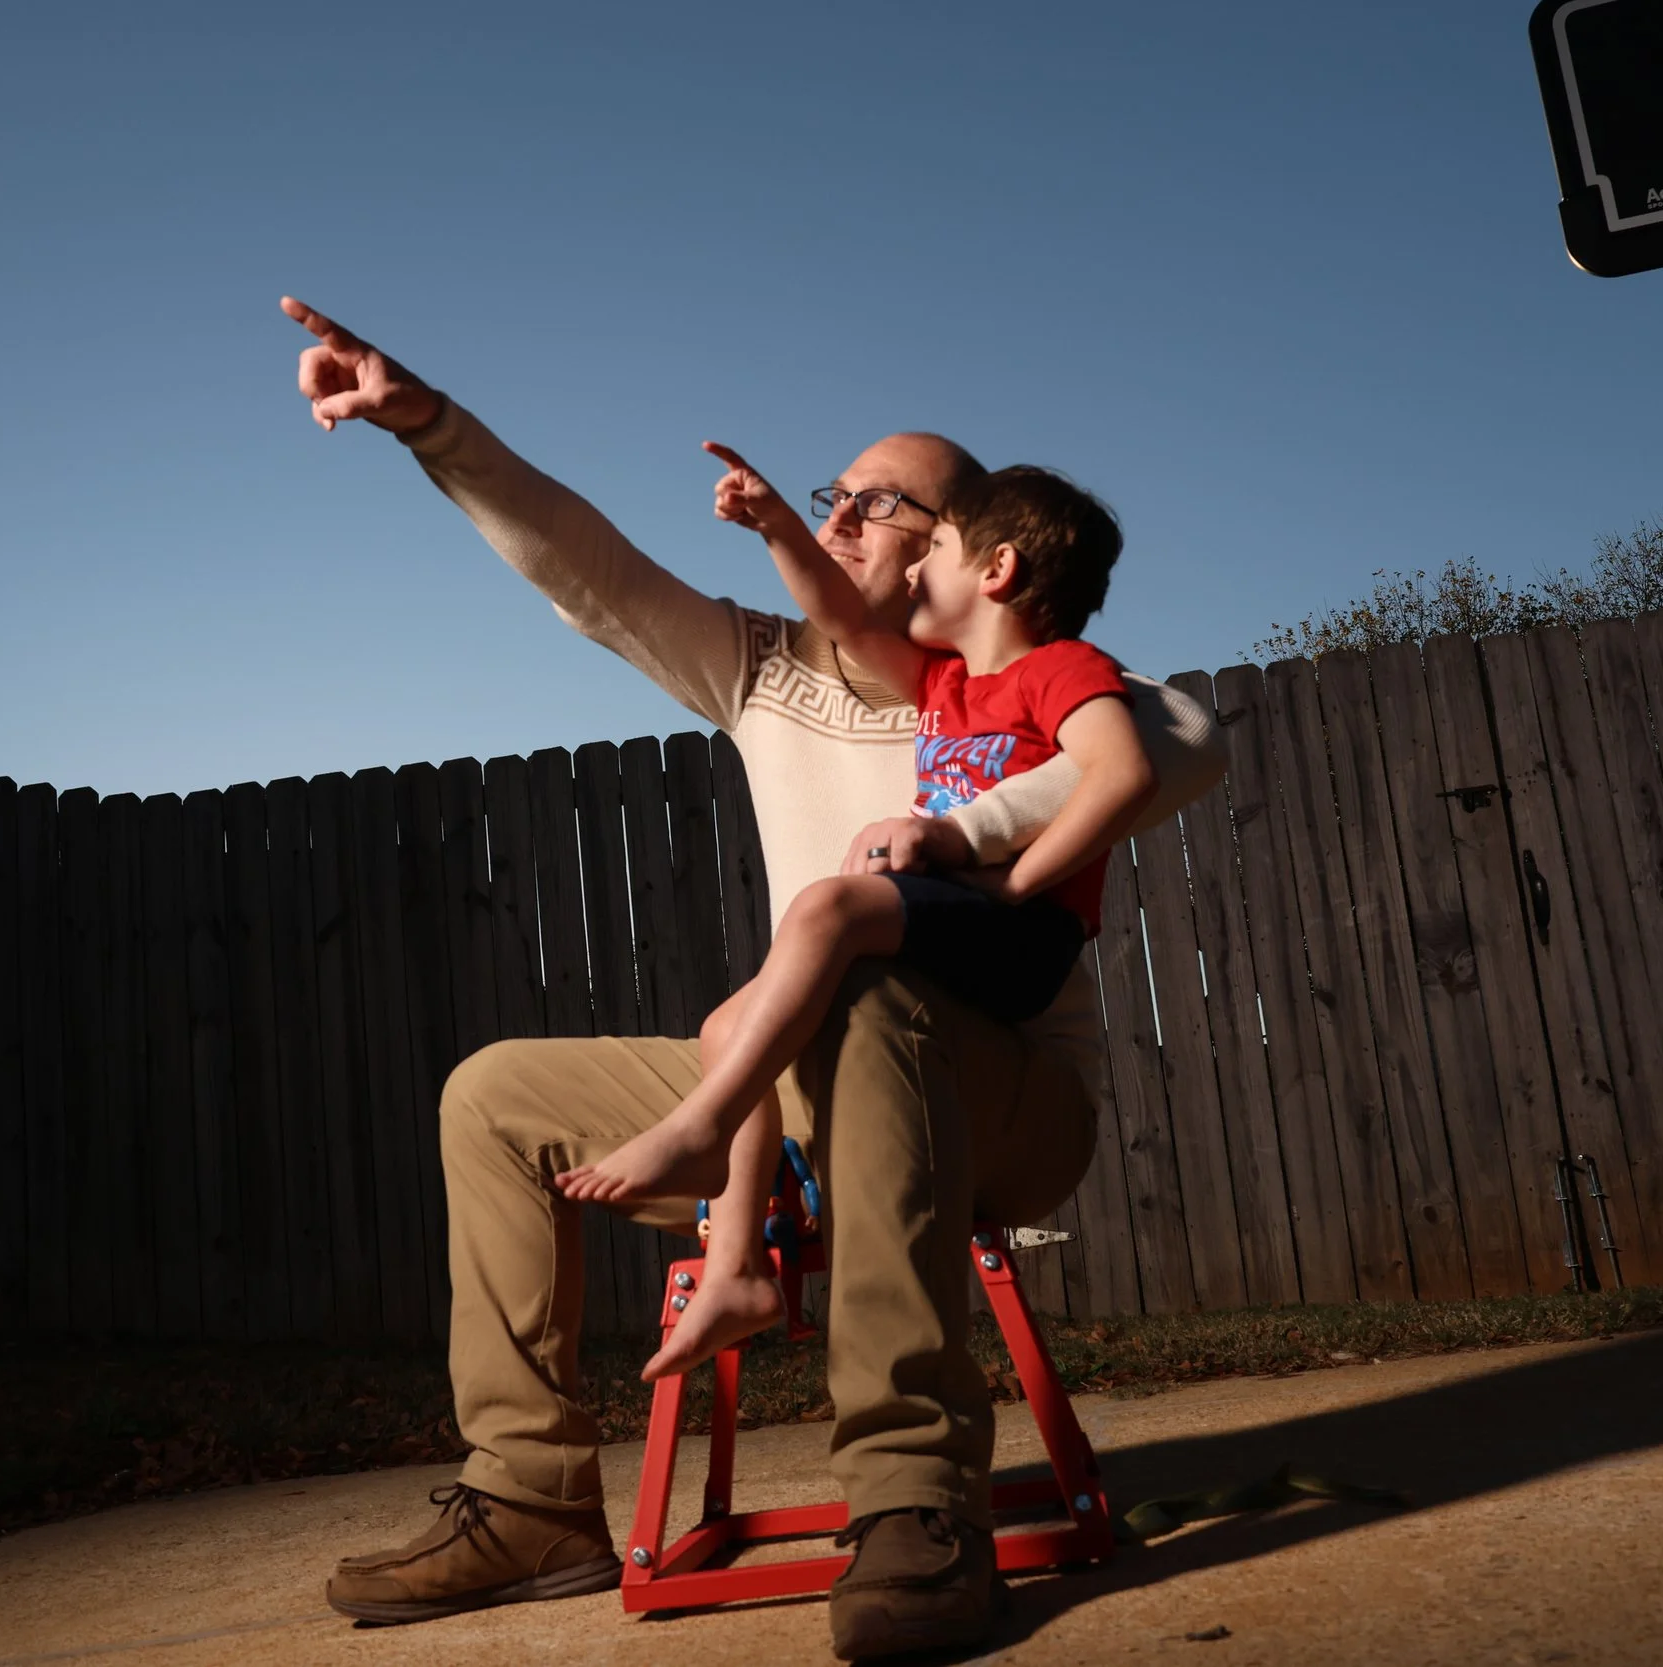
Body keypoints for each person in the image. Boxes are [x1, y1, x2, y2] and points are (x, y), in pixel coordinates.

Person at [280, 296, 1228, 1659]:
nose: (836, 510)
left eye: (877, 499)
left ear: (964, 550)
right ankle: (532, 1497)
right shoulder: (762, 667)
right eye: (831, 490)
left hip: (1005, 1100)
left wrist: (966, 833)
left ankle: (911, 1499)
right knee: (494, 1095)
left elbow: (1184, 739)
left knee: (878, 991)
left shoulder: (1019, 684)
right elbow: (584, 565)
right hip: (792, 1086)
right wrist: (425, 417)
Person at [558, 446, 1155, 1390]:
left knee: (829, 904)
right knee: (729, 1023)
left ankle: (703, 1128)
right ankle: (737, 1272)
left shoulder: (1061, 670)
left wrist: (1011, 879)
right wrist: (775, 527)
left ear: (996, 571)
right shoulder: (948, 686)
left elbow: (1126, 771)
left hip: (1019, 938)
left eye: (940, 546)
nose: (914, 567)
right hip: (963, 921)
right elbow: (836, 614)